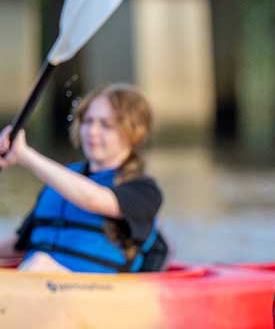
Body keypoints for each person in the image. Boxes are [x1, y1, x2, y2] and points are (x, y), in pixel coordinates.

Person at [0, 84, 167, 273]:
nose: (92, 131)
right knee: (39, 262)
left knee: (40, 263)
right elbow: (20, 245)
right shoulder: (59, 182)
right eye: (88, 121)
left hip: (94, 290)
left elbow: (92, 199)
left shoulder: (143, 190)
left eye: (105, 125)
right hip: (37, 278)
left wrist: (25, 155)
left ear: (133, 131)